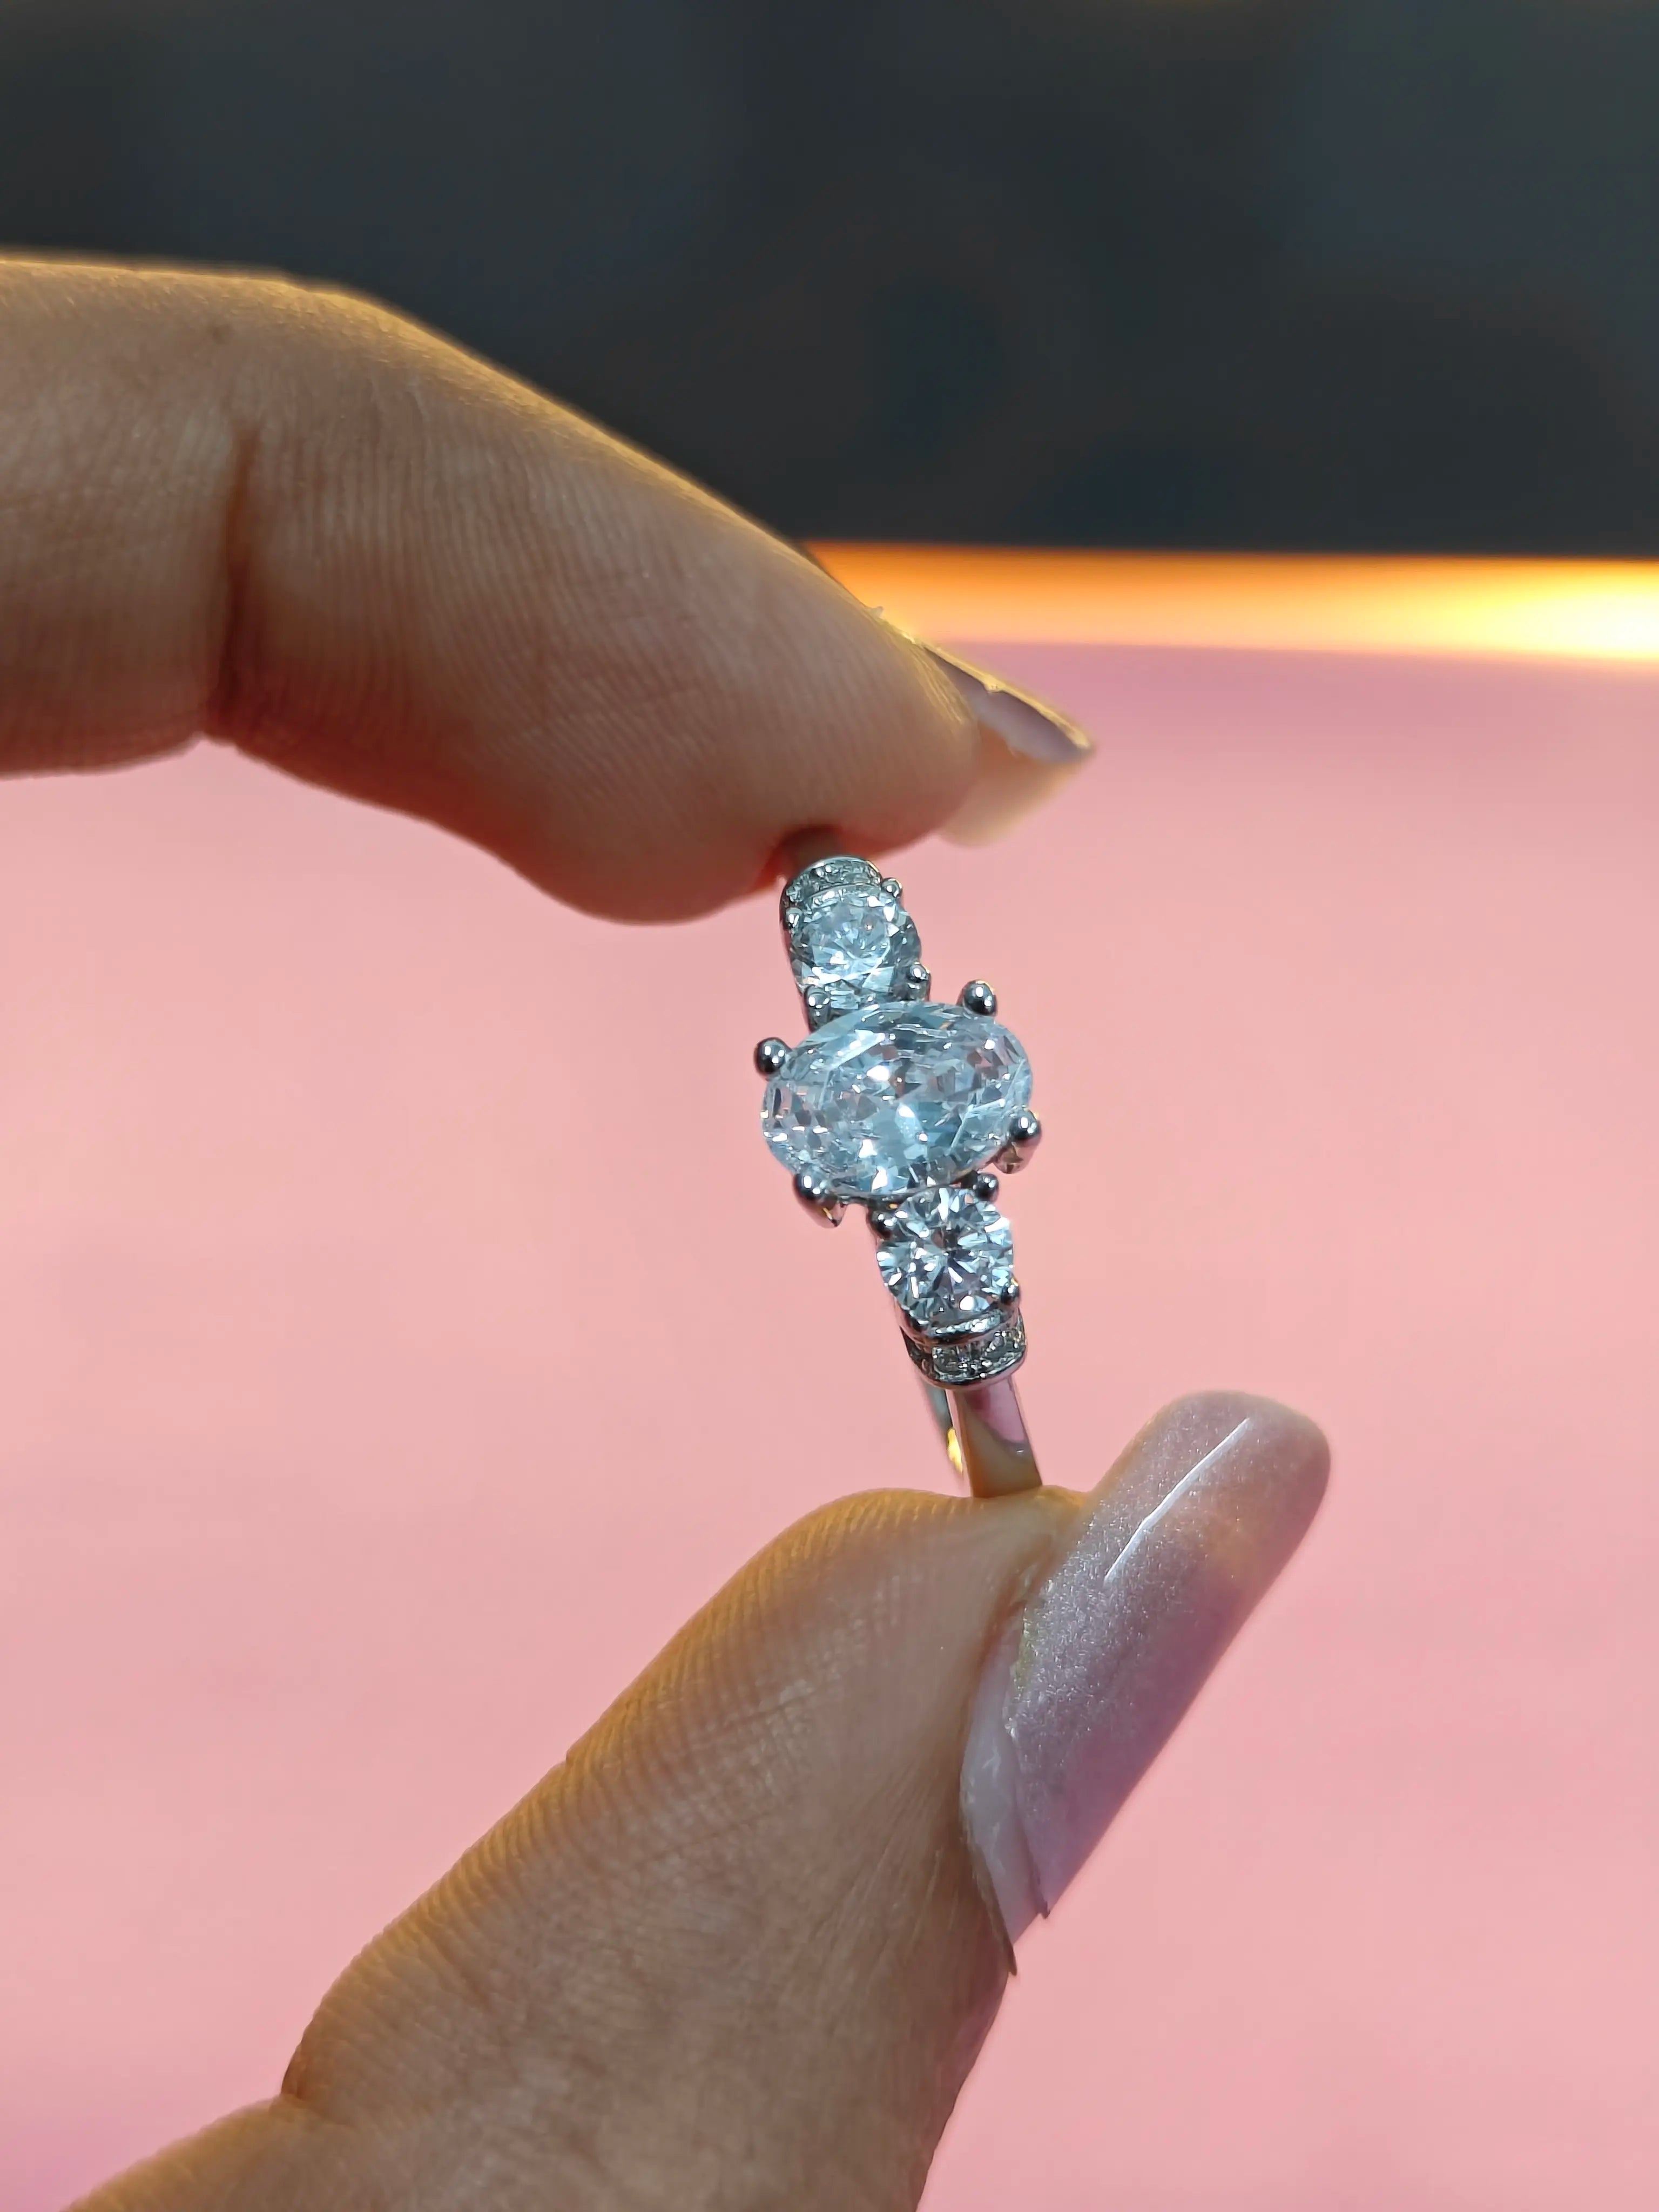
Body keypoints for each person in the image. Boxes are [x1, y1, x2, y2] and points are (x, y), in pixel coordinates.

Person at [3, 261, 1328, 2212]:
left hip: (938, 1203)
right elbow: (917, 1107)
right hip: (930, 1205)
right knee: (971, 1442)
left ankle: (999, 1458)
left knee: (976, 1392)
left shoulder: (897, 1068)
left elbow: (956, 1096)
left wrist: (936, 1146)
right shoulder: (882, 1079)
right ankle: (999, 1463)